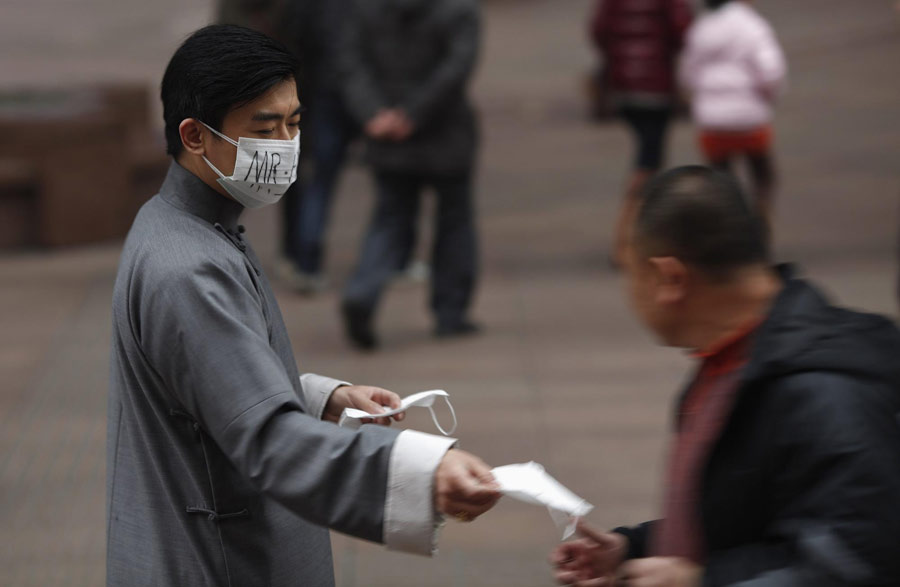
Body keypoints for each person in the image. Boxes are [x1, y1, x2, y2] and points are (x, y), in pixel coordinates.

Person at [107, 25, 502, 586]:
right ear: (194, 136)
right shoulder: (188, 267)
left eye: (293, 123)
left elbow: (212, 384)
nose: (285, 144)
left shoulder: (188, 225)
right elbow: (267, 438)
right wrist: (419, 470)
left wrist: (321, 398)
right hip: (217, 560)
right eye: (264, 129)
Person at [551, 166, 900, 587]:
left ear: (671, 279)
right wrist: (635, 549)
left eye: (629, 271)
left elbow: (853, 562)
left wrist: (700, 581)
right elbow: (741, 522)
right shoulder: (733, 360)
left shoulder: (826, 392)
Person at [338, 0, 481, 350]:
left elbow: (351, 63)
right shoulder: (458, 8)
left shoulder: (367, 8)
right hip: (444, 130)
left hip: (390, 133)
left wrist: (374, 114)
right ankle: (450, 311)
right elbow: (456, 67)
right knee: (453, 222)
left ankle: (363, 291)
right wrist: (411, 115)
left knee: (390, 219)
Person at [589, 0, 693, 265]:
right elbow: (682, 29)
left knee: (649, 159)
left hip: (623, 85)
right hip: (656, 86)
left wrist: (618, 58)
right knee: (648, 162)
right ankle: (624, 240)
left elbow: (599, 29)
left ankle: (642, 238)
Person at [679, 0, 787, 230]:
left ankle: (729, 227)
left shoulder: (701, 28)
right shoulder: (752, 25)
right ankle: (760, 223)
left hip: (712, 122)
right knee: (763, 174)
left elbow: (687, 74)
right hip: (750, 119)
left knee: (721, 181)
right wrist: (768, 98)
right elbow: (771, 71)